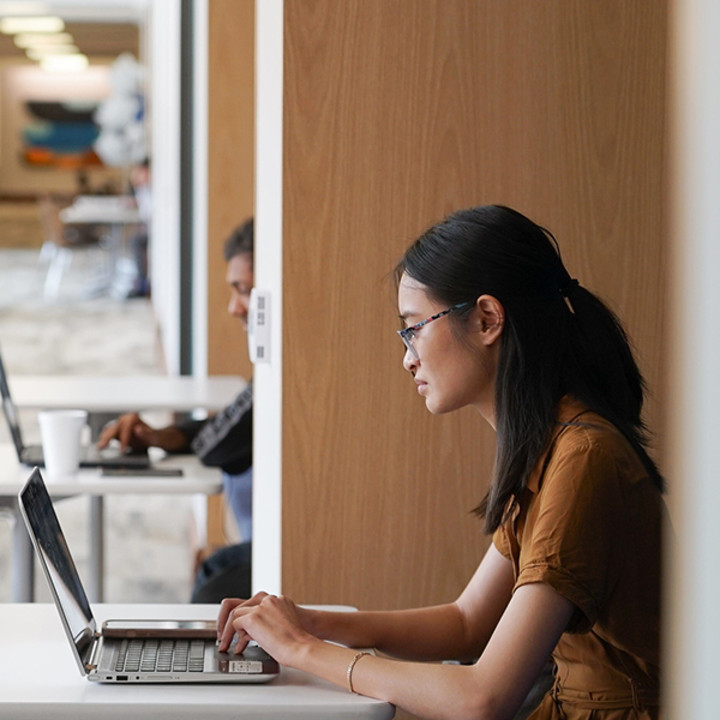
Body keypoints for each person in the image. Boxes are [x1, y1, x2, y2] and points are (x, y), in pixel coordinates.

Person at [216, 205, 666, 720]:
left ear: (487, 319)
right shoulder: (551, 443)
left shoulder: (584, 458)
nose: (408, 357)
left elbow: (483, 698)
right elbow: (467, 622)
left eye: (415, 328)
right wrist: (310, 623)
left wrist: (302, 650)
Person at [98, 218, 255, 602]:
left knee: (213, 579)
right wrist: (160, 436)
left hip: (294, 553)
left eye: (246, 291)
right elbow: (225, 430)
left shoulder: (288, 362)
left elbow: (216, 445)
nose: (235, 308)